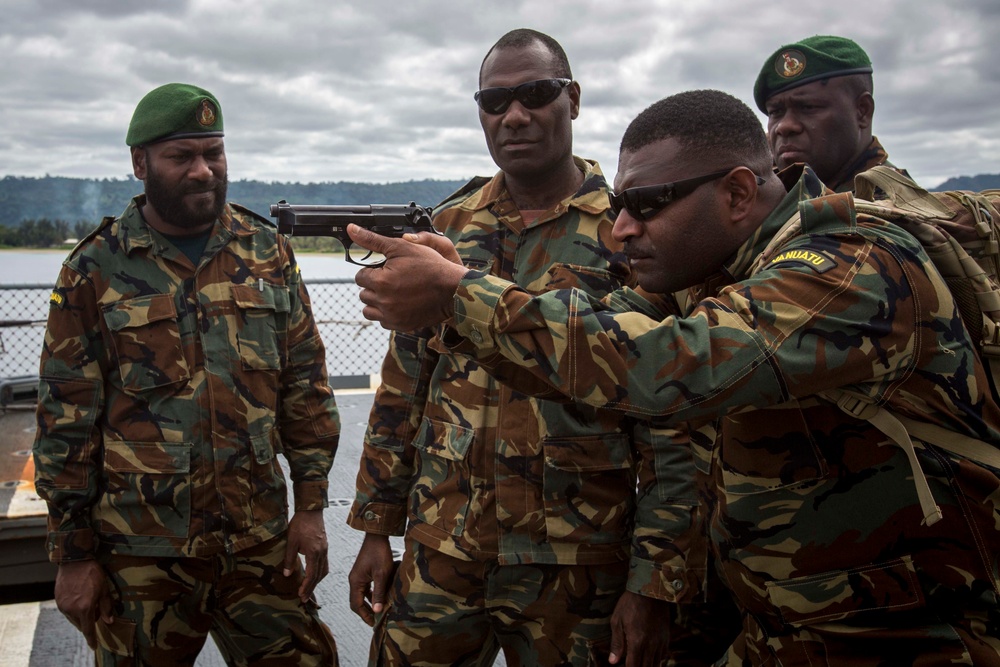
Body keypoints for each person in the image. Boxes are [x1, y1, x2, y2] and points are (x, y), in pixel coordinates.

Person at [348, 89, 1000, 665]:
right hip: (788, 623)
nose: (623, 228)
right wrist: (452, 303)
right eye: (621, 205)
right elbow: (599, 327)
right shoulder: (712, 274)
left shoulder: (847, 270)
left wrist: (461, 293)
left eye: (648, 205)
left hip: (905, 635)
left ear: (740, 193)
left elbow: (663, 366)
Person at [346, 29, 718, 667]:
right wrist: (377, 528)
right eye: (494, 102)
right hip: (445, 549)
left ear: (572, 99)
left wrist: (654, 582)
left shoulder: (630, 231)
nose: (513, 116)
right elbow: (405, 385)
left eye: (535, 95)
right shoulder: (448, 229)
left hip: (578, 563)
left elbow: (674, 419)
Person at [32, 83, 341, 666]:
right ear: (140, 163)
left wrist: (311, 507)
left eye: (214, 153)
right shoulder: (94, 269)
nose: (203, 171)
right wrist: (73, 555)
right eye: (182, 157)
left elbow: (306, 387)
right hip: (140, 555)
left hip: (259, 543)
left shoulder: (266, 252)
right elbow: (65, 423)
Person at [754, 34, 909, 192]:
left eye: (808, 107)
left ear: (862, 111)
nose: (784, 126)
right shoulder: (768, 189)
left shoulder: (891, 207)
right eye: (775, 112)